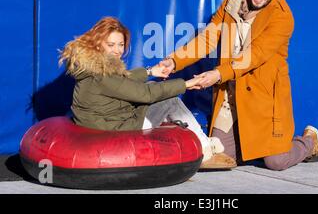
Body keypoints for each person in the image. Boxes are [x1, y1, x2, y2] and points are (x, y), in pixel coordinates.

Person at [158, 0, 318, 170]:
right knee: (219, 158)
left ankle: (309, 142)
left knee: (275, 162)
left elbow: (254, 56)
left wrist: (218, 74)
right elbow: (207, 39)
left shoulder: (282, 16)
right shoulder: (232, 3)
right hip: (230, 97)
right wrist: (174, 61)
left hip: (263, 99)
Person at [59, 17, 236, 169]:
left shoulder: (91, 67)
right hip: (114, 128)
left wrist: (151, 71)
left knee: (156, 90)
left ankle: (202, 143)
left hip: (108, 121)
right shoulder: (101, 76)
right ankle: (205, 152)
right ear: (98, 44)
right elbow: (146, 94)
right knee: (169, 101)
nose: (117, 50)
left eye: (120, 44)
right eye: (111, 44)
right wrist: (187, 84)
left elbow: (123, 80)